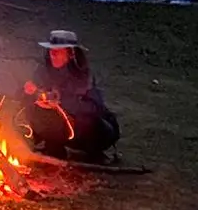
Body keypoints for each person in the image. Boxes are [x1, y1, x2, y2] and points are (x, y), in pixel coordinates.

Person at [18, 30, 121, 159]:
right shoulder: (42, 71)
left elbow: (96, 108)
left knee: (92, 124)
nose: (53, 54)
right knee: (36, 112)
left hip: (87, 131)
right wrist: (29, 93)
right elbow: (26, 99)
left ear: (71, 53)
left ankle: (90, 152)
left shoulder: (84, 76)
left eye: (59, 51)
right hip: (58, 128)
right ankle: (54, 146)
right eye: (51, 50)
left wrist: (63, 102)